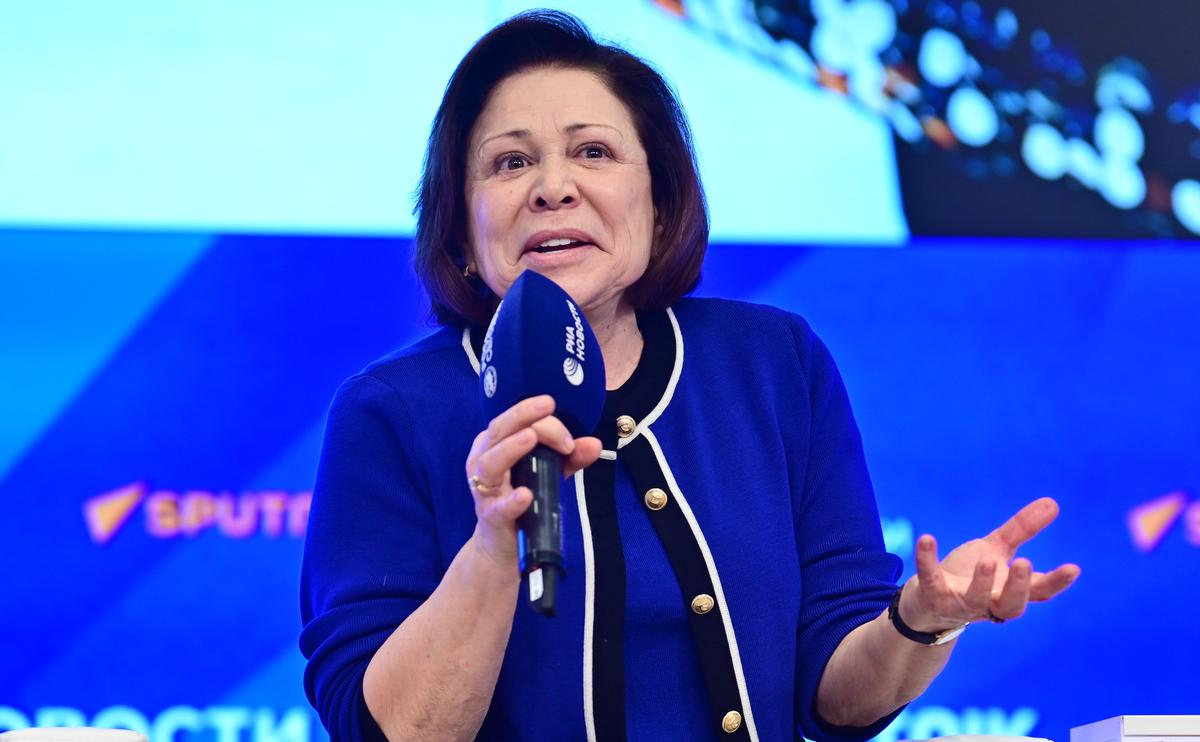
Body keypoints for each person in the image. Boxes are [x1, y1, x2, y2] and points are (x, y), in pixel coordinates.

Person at [299, 10, 1080, 742]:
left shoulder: (773, 364)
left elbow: (836, 697)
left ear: (662, 205)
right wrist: (493, 547)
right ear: (462, 230)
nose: (552, 187)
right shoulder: (392, 412)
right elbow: (385, 727)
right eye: (510, 162)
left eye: (593, 152)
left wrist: (921, 621)